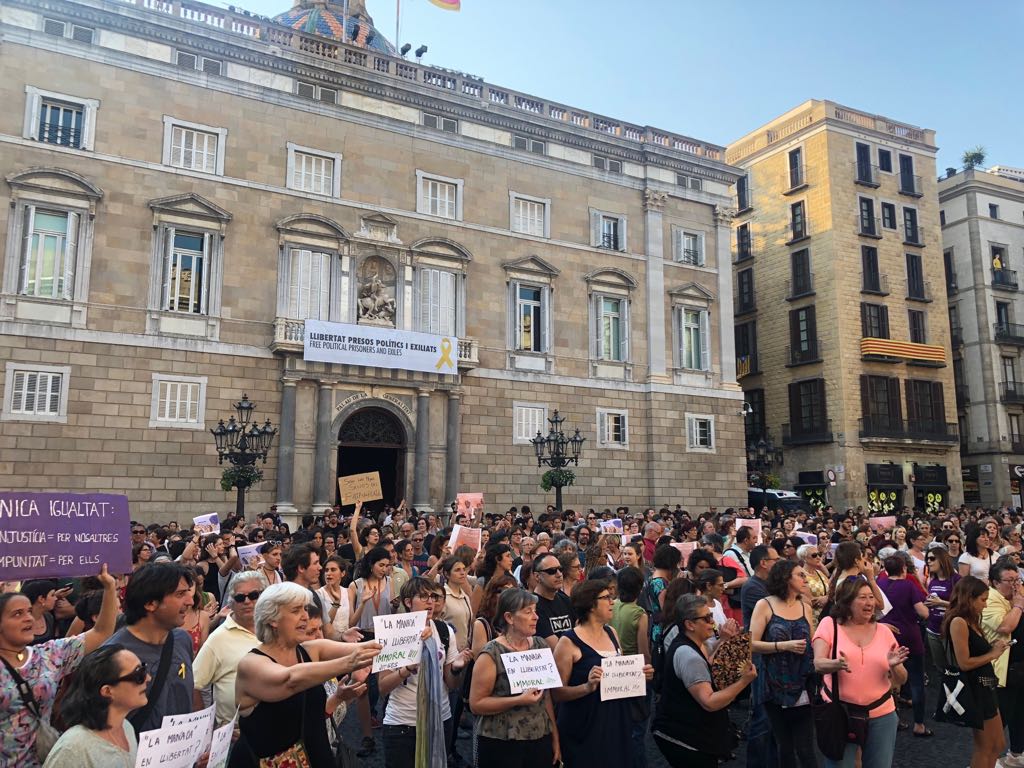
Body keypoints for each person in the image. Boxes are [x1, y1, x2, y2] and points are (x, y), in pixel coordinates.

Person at [229, 582, 381, 767]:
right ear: (273, 619)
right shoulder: (251, 664)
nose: (305, 616)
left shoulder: (309, 650)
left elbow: (366, 647)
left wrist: (417, 636)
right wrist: (348, 663)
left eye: (305, 609)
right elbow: (290, 679)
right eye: (295, 610)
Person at [1, 565, 117, 767]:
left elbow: (101, 632)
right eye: (17, 614)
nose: (28, 617)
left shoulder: (49, 654)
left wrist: (109, 587)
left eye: (29, 611)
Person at [554, 579, 651, 768]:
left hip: (616, 721)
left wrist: (639, 674)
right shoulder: (567, 642)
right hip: (585, 725)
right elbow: (557, 693)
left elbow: (620, 673)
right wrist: (586, 687)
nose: (612, 601)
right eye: (606, 597)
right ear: (590, 604)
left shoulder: (612, 632)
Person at [812, 578, 909, 768]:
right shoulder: (830, 625)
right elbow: (818, 663)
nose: (869, 603)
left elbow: (901, 679)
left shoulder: (884, 631)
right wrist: (835, 664)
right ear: (847, 601)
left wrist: (894, 666)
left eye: (871, 597)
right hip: (840, 713)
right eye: (862, 597)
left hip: (882, 714)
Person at [651, 594, 756, 767]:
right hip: (686, 740)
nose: (712, 623)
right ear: (689, 624)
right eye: (707, 618)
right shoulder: (689, 656)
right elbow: (709, 702)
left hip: (688, 734)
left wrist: (724, 641)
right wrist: (744, 682)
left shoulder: (698, 644)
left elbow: (707, 664)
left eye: (712, 616)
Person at [379, 578, 471, 768]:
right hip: (402, 723)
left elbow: (451, 684)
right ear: (407, 601)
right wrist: (406, 670)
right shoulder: (392, 632)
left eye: (433, 596)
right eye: (423, 596)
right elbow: (382, 687)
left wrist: (456, 668)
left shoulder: (445, 631)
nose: (431, 601)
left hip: (440, 719)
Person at [468, 588, 560, 767]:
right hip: (501, 741)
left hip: (539, 737)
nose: (536, 617)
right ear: (509, 618)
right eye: (528, 612)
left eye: (535, 611)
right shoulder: (491, 653)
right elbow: (476, 704)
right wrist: (518, 700)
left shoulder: (540, 645)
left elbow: (546, 696)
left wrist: (555, 737)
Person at [103, 563, 196, 734]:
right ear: (150, 603)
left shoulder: (182, 640)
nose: (190, 601)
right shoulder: (113, 655)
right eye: (180, 594)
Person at [748, 560, 817, 767]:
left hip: (803, 682)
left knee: (806, 748)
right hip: (773, 683)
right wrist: (783, 645)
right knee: (784, 745)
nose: (805, 579)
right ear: (786, 578)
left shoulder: (805, 607)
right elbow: (751, 643)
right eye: (800, 575)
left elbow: (812, 644)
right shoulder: (765, 605)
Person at [42, 644, 147, 768]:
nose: (148, 678)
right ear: (107, 691)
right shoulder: (73, 748)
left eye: (144, 670)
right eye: (138, 675)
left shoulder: (127, 728)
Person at [944, 575, 1009, 768]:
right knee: (985, 747)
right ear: (969, 599)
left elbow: (975, 650)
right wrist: (993, 654)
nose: (985, 605)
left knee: (997, 744)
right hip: (975, 688)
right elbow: (964, 662)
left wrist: (992, 648)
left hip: (986, 684)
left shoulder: (972, 619)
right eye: (982, 600)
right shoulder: (958, 622)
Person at [193, 570, 266, 727]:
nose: (247, 601)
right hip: (234, 735)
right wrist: (205, 727)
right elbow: (194, 683)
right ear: (231, 602)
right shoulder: (218, 638)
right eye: (240, 598)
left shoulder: (276, 628)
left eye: (254, 595)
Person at [877, 554, 931, 736]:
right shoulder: (908, 585)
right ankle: (919, 724)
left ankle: (894, 718)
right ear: (904, 569)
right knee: (916, 680)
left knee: (890, 679)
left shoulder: (879, 583)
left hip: (886, 636)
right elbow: (922, 612)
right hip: (909, 635)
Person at [981, 558, 1024, 767]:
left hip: (1018, 669)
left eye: (1017, 580)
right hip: (1000, 671)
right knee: (998, 721)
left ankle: (1016, 755)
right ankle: (982, 762)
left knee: (1020, 714)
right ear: (995, 583)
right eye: (1009, 581)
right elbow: (1005, 626)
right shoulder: (990, 599)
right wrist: (1019, 605)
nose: (1015, 585)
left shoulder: (1014, 597)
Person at [532, 554, 575, 648]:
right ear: (537, 576)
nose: (559, 574)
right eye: (551, 571)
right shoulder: (532, 606)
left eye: (560, 569)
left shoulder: (566, 600)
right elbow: (556, 648)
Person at [317, 556, 352, 641]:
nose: (328, 573)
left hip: (347, 641)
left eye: (333, 570)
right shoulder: (319, 593)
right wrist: (336, 603)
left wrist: (362, 603)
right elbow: (324, 626)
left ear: (342, 573)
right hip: (329, 643)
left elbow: (351, 623)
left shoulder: (348, 591)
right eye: (326, 570)